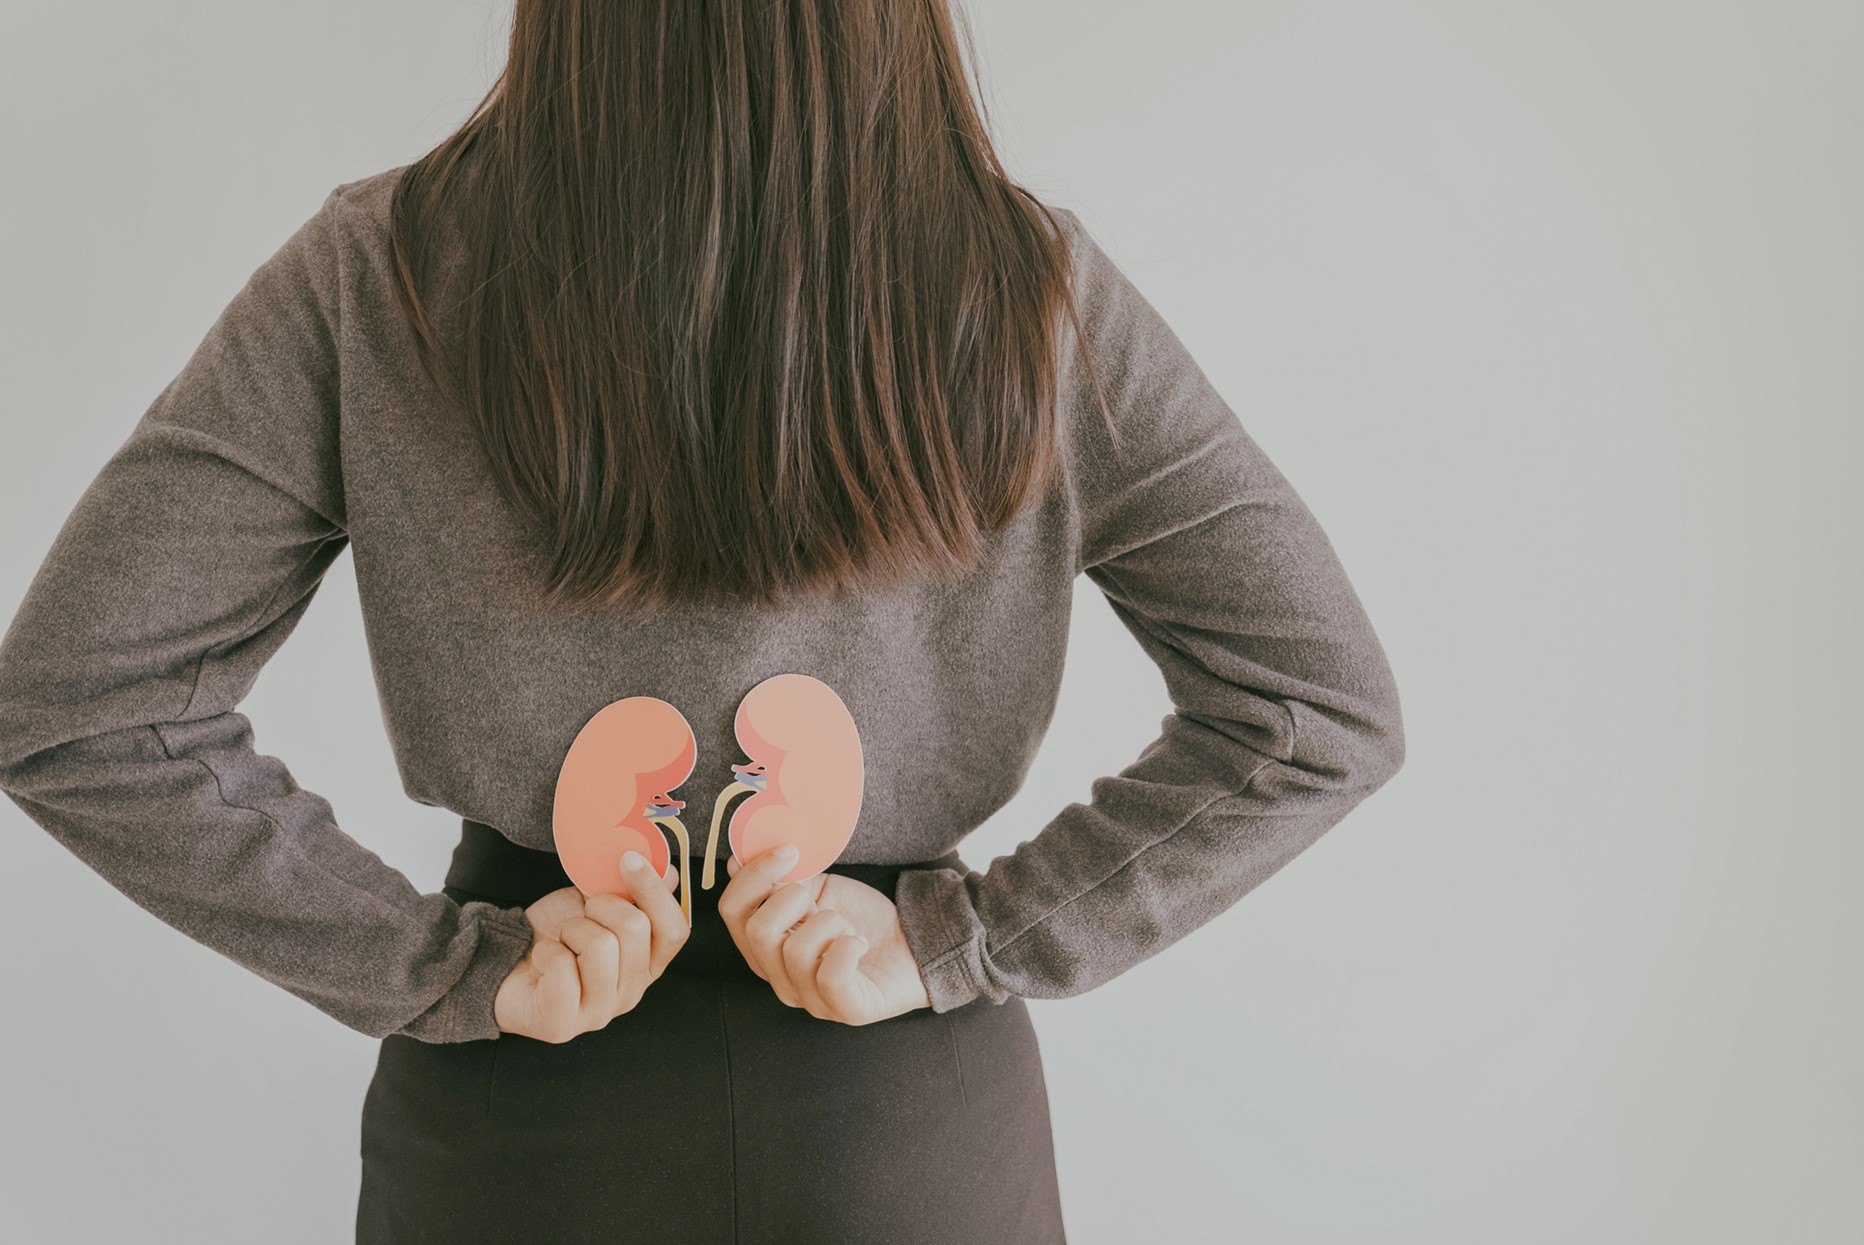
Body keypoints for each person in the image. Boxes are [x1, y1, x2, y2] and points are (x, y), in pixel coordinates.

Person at [0, 3, 1405, 1242]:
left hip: (521, 1125)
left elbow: (79, 707)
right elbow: (1317, 711)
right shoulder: (1031, 291)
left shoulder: (380, 276)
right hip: (905, 1134)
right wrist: (962, 939)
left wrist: (442, 966)